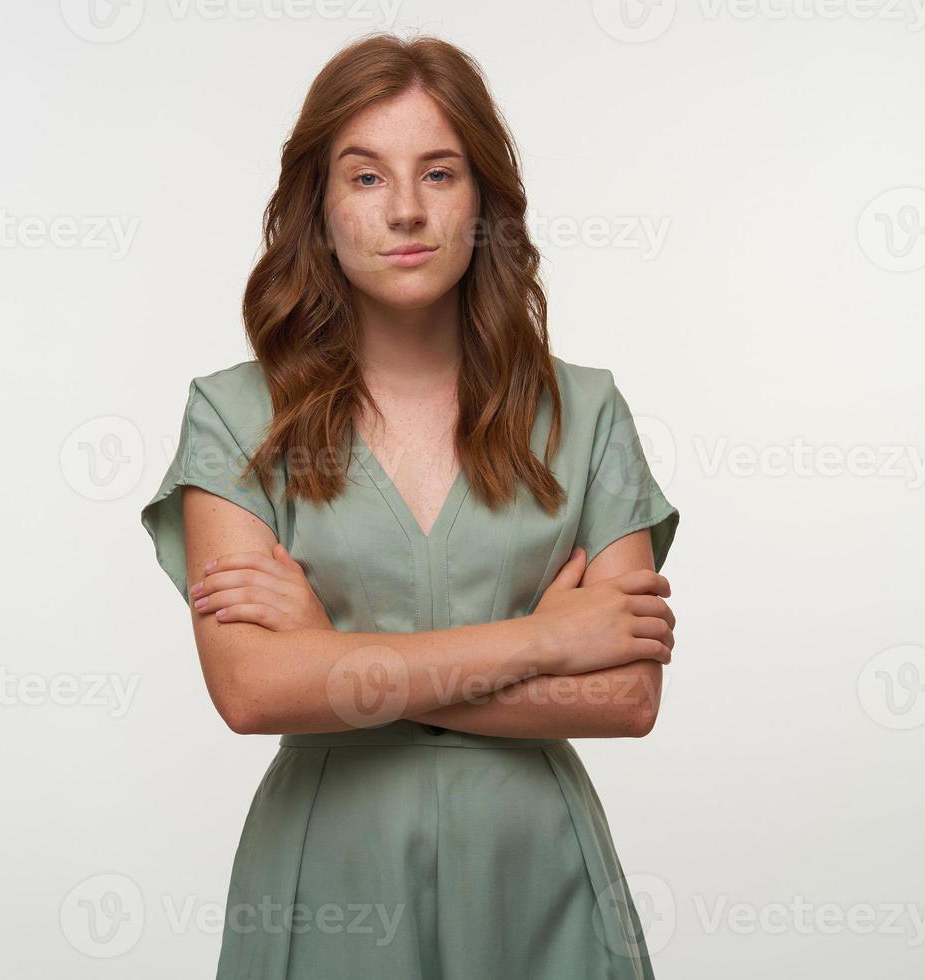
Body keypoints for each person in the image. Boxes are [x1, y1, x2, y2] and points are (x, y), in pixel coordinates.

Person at [140, 31, 680, 980]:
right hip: (329, 886)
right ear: (319, 205)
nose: (404, 211)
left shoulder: (586, 412)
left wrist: (335, 669)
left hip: (537, 878)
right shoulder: (233, 417)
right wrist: (544, 641)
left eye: (439, 174)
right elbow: (253, 691)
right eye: (364, 178)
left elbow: (627, 697)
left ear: (483, 202)